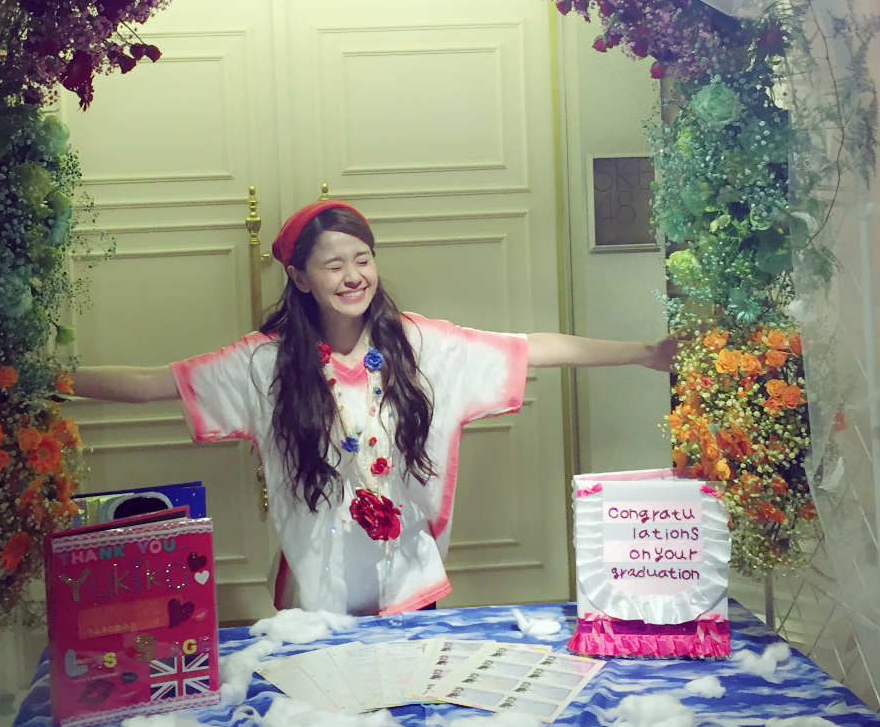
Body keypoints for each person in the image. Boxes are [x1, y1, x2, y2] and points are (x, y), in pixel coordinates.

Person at [73, 200, 675, 616]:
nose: (353, 276)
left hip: (409, 584)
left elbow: (530, 348)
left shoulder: (418, 346)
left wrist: (645, 353)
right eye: (333, 265)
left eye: (363, 259)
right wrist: (48, 382)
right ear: (300, 278)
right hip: (318, 596)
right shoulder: (265, 363)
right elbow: (151, 384)